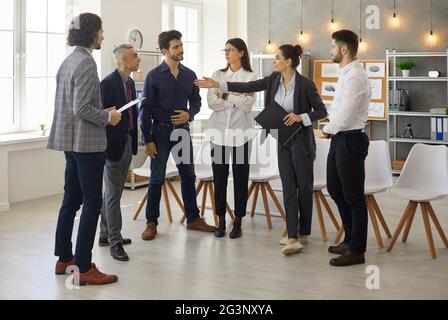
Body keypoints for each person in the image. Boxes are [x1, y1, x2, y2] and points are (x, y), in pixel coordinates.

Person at [195, 44, 327, 256]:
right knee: (288, 187)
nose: (274, 61)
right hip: (283, 140)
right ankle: (292, 234)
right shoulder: (273, 80)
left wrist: (300, 117)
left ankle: (302, 231)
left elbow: (321, 111)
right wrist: (217, 84)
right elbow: (250, 86)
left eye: (277, 58)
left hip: (301, 141)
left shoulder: (305, 84)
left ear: (288, 62)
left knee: (303, 187)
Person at [48, 13, 121, 285]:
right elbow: (81, 108)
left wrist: (103, 112)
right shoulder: (87, 63)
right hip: (88, 145)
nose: (103, 36)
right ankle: (83, 266)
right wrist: (108, 117)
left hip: (71, 144)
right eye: (101, 31)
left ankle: (64, 258)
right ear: (92, 33)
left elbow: (74, 107)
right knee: (92, 204)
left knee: (70, 201)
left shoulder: (68, 61)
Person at [140, 30, 216, 241]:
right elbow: (144, 110)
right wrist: (148, 140)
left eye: (181, 45)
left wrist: (189, 114)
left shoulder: (189, 75)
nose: (181, 49)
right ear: (165, 51)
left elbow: (197, 101)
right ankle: (151, 223)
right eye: (176, 46)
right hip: (160, 132)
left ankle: (193, 218)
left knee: (188, 175)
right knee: (156, 179)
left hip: (182, 132)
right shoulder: (153, 76)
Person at [323, 30, 371, 267]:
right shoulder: (345, 73)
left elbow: (347, 113)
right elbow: (339, 110)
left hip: (350, 139)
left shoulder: (356, 77)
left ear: (344, 49)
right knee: (334, 188)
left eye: (333, 46)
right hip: (339, 138)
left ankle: (357, 250)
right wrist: (331, 128)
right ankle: (350, 238)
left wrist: (328, 128)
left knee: (354, 197)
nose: (330, 50)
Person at [206, 38, 257, 239]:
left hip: (241, 134)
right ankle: (220, 221)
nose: (226, 53)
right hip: (218, 133)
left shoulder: (250, 76)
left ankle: (238, 221)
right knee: (219, 179)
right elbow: (211, 102)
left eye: (231, 50)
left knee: (240, 179)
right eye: (225, 50)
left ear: (241, 53)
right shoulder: (217, 75)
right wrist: (236, 98)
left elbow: (247, 105)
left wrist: (224, 95)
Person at [98, 44, 141, 261]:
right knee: (114, 194)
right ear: (123, 60)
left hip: (127, 141)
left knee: (112, 192)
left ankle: (106, 235)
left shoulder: (131, 82)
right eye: (135, 56)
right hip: (113, 145)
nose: (139, 59)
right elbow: (101, 117)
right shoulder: (106, 83)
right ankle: (115, 242)